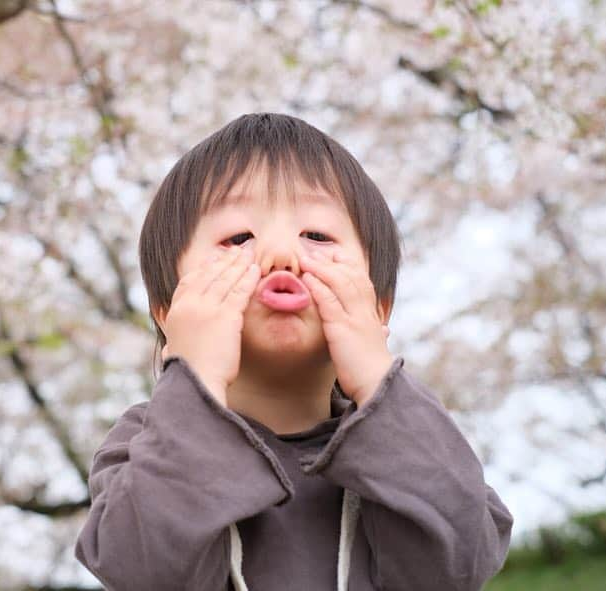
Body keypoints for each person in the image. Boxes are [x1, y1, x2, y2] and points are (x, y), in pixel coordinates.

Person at [74, 113, 513, 590]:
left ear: (378, 306)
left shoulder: (413, 437)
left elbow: (461, 563)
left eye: (317, 237)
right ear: (168, 311)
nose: (281, 255)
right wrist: (195, 373)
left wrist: (377, 378)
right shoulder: (143, 444)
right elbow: (145, 568)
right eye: (238, 238)